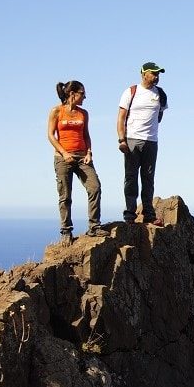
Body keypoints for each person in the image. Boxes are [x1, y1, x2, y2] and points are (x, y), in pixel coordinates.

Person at [47, 80, 109, 247]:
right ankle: (66, 231)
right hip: (63, 158)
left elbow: (86, 135)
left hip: (82, 157)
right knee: (65, 196)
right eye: (83, 94)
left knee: (95, 187)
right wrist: (64, 153)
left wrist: (89, 153)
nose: (85, 97)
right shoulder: (56, 111)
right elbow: (51, 136)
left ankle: (94, 226)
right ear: (72, 94)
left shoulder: (84, 113)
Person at [116, 61, 168, 225]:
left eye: (158, 73)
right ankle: (130, 214)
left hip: (151, 141)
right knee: (131, 177)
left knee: (148, 178)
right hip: (132, 140)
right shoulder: (131, 92)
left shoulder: (160, 94)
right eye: (153, 73)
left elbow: (159, 116)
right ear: (143, 74)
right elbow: (121, 117)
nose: (156, 76)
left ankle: (149, 214)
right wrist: (122, 139)